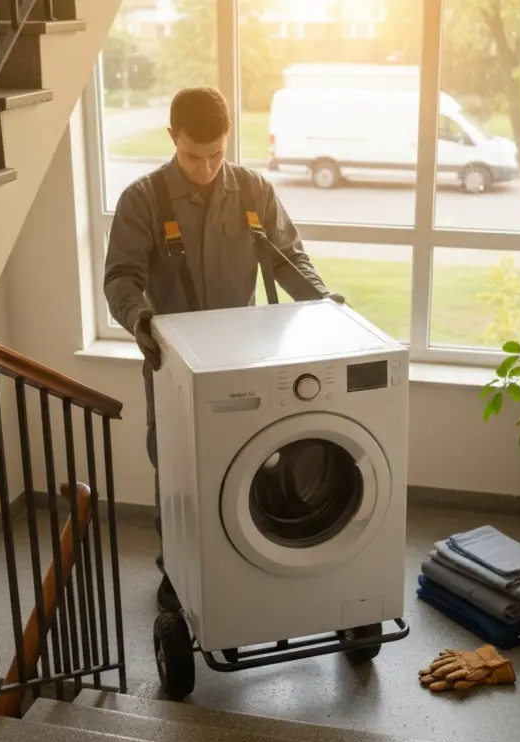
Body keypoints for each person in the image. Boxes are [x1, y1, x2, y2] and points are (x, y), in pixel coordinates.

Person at [103, 86, 343, 614]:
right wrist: (140, 320)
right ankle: (177, 568)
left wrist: (326, 304)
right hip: (172, 363)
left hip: (245, 359)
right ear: (172, 139)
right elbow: (121, 277)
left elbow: (287, 259)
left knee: (252, 459)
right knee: (176, 466)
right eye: (194, 155)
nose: (207, 167)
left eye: (217, 154)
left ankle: (247, 558)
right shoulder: (141, 199)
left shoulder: (255, 190)